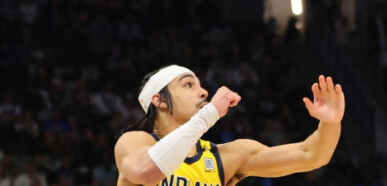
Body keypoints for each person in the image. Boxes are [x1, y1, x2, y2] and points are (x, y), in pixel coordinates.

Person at [114, 65, 344, 186]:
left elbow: (311, 155)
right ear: (160, 100)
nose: (203, 91)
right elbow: (147, 172)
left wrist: (330, 123)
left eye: (200, 85)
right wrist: (209, 115)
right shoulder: (134, 142)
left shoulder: (225, 157)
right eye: (187, 85)